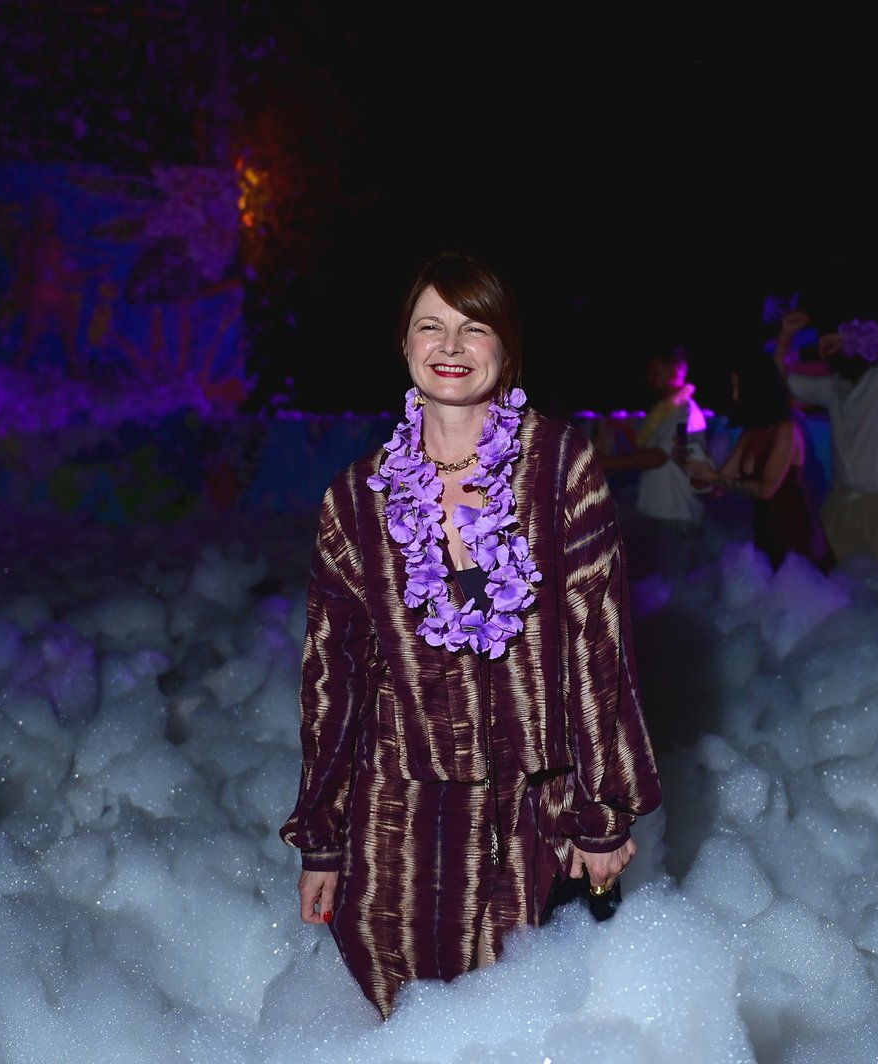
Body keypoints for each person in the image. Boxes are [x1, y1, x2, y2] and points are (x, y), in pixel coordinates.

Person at [279, 251, 663, 1019]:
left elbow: (598, 647)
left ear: (507, 349)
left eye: (474, 327)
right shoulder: (356, 499)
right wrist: (323, 836)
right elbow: (333, 679)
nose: (451, 346)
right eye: (431, 327)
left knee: (530, 1025)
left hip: (536, 813)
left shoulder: (560, 468)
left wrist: (602, 811)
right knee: (416, 1028)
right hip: (397, 822)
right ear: (403, 344)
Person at [777, 311, 878, 565]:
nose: (843, 349)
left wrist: (858, 337)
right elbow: (780, 381)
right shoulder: (834, 387)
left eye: (850, 344)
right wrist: (786, 336)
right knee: (840, 580)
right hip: (843, 505)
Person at [705, 317, 833, 571]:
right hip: (765, 534)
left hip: (796, 537)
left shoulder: (786, 429)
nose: (734, 396)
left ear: (757, 389)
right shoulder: (750, 433)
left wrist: (715, 479)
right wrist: (696, 471)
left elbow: (766, 490)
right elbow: (718, 486)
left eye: (738, 388)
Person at [596, 346, 711, 579]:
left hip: (676, 516)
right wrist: (625, 430)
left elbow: (659, 456)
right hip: (658, 512)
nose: (649, 379)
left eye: (655, 372)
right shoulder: (664, 412)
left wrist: (608, 463)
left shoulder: (685, 412)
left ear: (676, 371)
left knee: (672, 588)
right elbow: (648, 452)